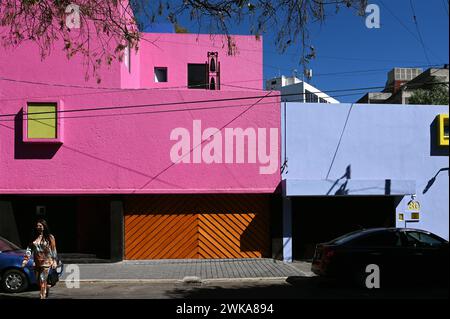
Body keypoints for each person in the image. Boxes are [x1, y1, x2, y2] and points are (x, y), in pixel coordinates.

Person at [21, 219, 58, 299]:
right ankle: (46, 287)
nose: (38, 227)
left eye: (40, 226)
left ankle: (42, 296)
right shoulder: (34, 237)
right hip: (37, 262)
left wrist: (54, 261)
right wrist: (25, 260)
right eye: (37, 226)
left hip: (47, 262)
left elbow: (53, 249)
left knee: (42, 279)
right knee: (38, 281)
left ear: (44, 227)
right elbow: (29, 249)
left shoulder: (50, 237)